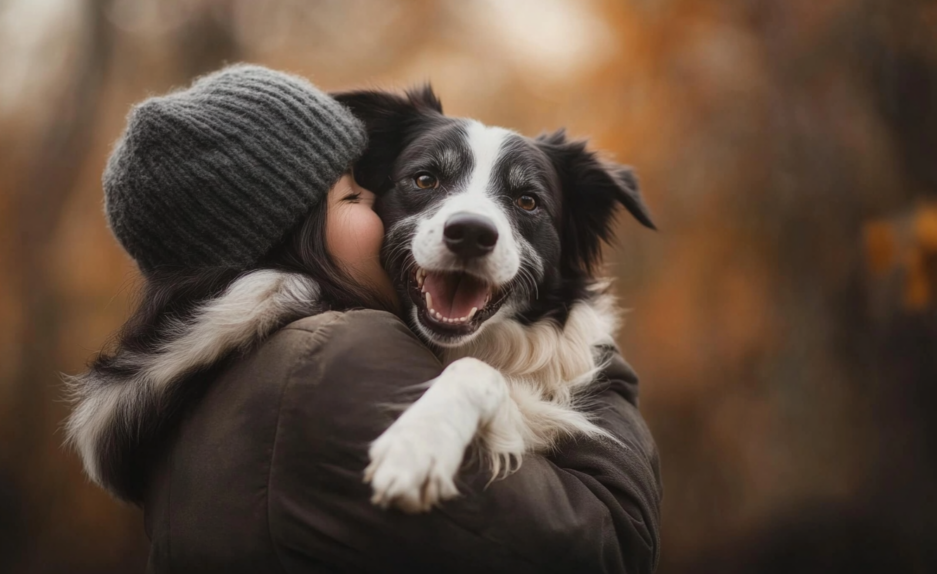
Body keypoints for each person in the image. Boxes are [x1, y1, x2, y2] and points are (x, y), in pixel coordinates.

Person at [69, 65, 662, 573]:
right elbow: (605, 543)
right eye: (357, 197)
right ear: (288, 234)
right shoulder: (334, 356)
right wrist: (599, 370)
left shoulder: (218, 376)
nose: (472, 220)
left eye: (526, 201)